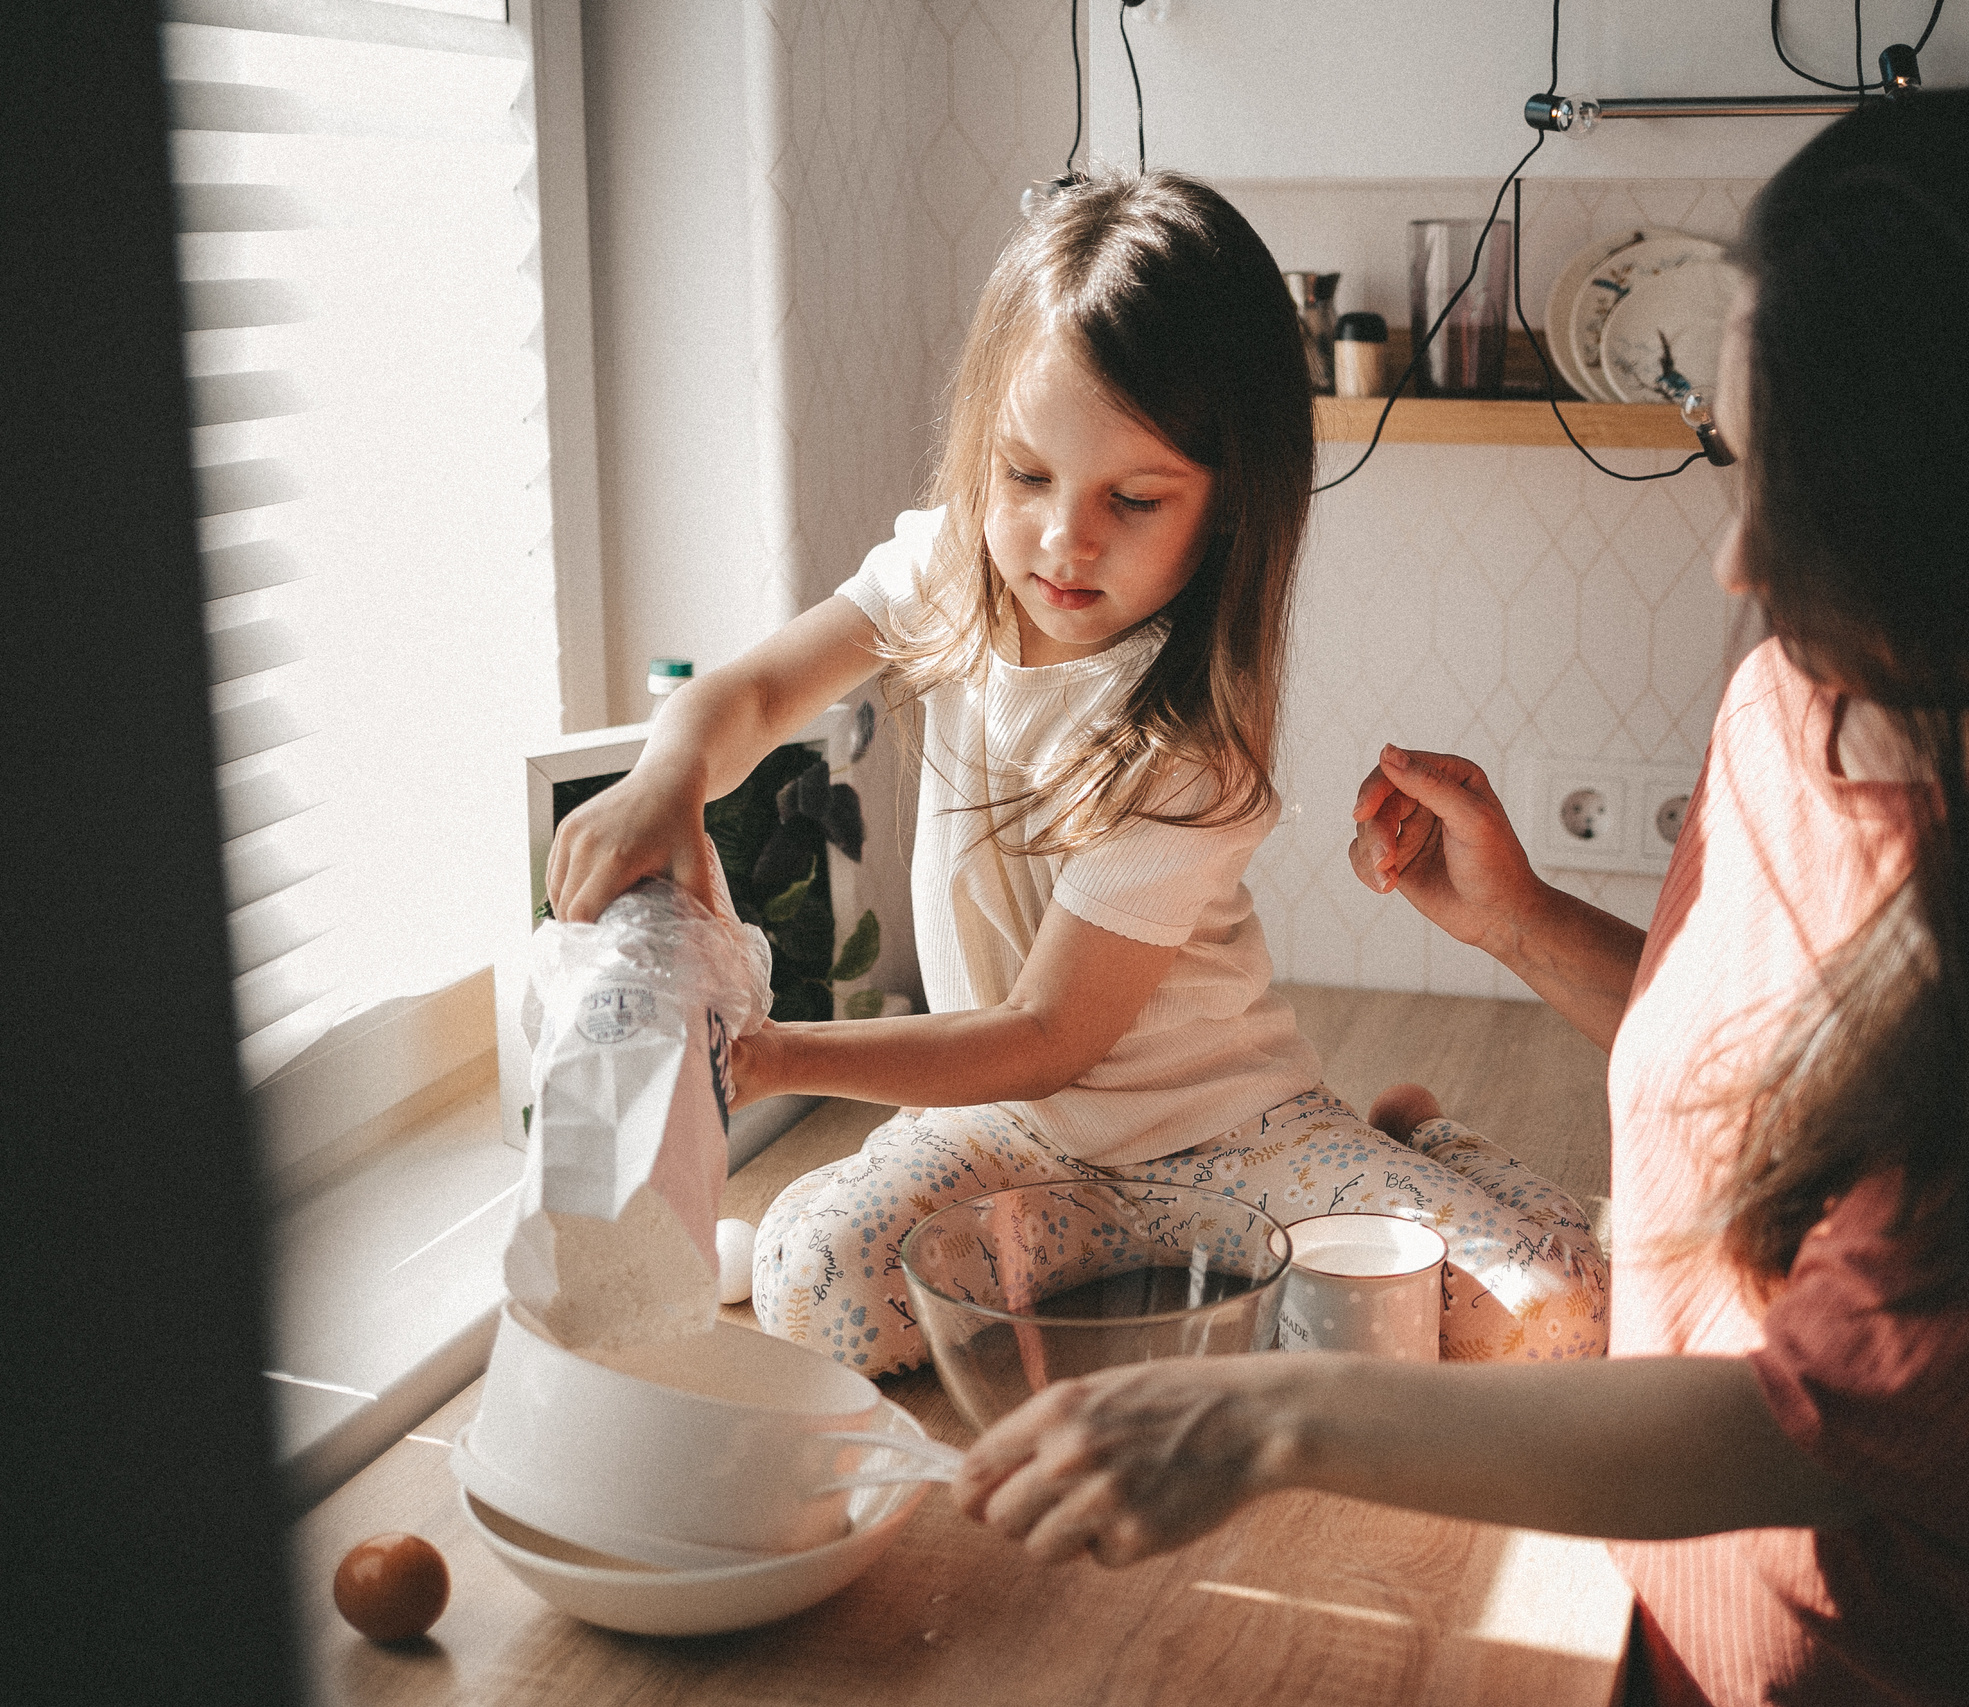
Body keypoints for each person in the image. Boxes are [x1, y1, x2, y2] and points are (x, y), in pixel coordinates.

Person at [952, 88, 1969, 1705]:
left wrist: (1269, 1414)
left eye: (1795, 487)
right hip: (1669, 1646)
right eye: (1735, 460)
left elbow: (1803, 1427)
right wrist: (1521, 922)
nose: (1741, 564)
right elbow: (1807, 1100)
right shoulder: (1803, 702)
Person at [544, 169, 1607, 1376]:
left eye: (1134, 499)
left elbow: (1048, 1032)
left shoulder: (1192, 745)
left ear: (1228, 508)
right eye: (1025, 475)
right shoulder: (950, 566)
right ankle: (1141, 1265)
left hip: (1230, 1137)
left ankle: (1422, 1143)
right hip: (1008, 1137)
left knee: (1552, 1319)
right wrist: (665, 775)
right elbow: (753, 692)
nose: (1063, 539)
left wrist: (784, 1054)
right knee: (809, 1286)